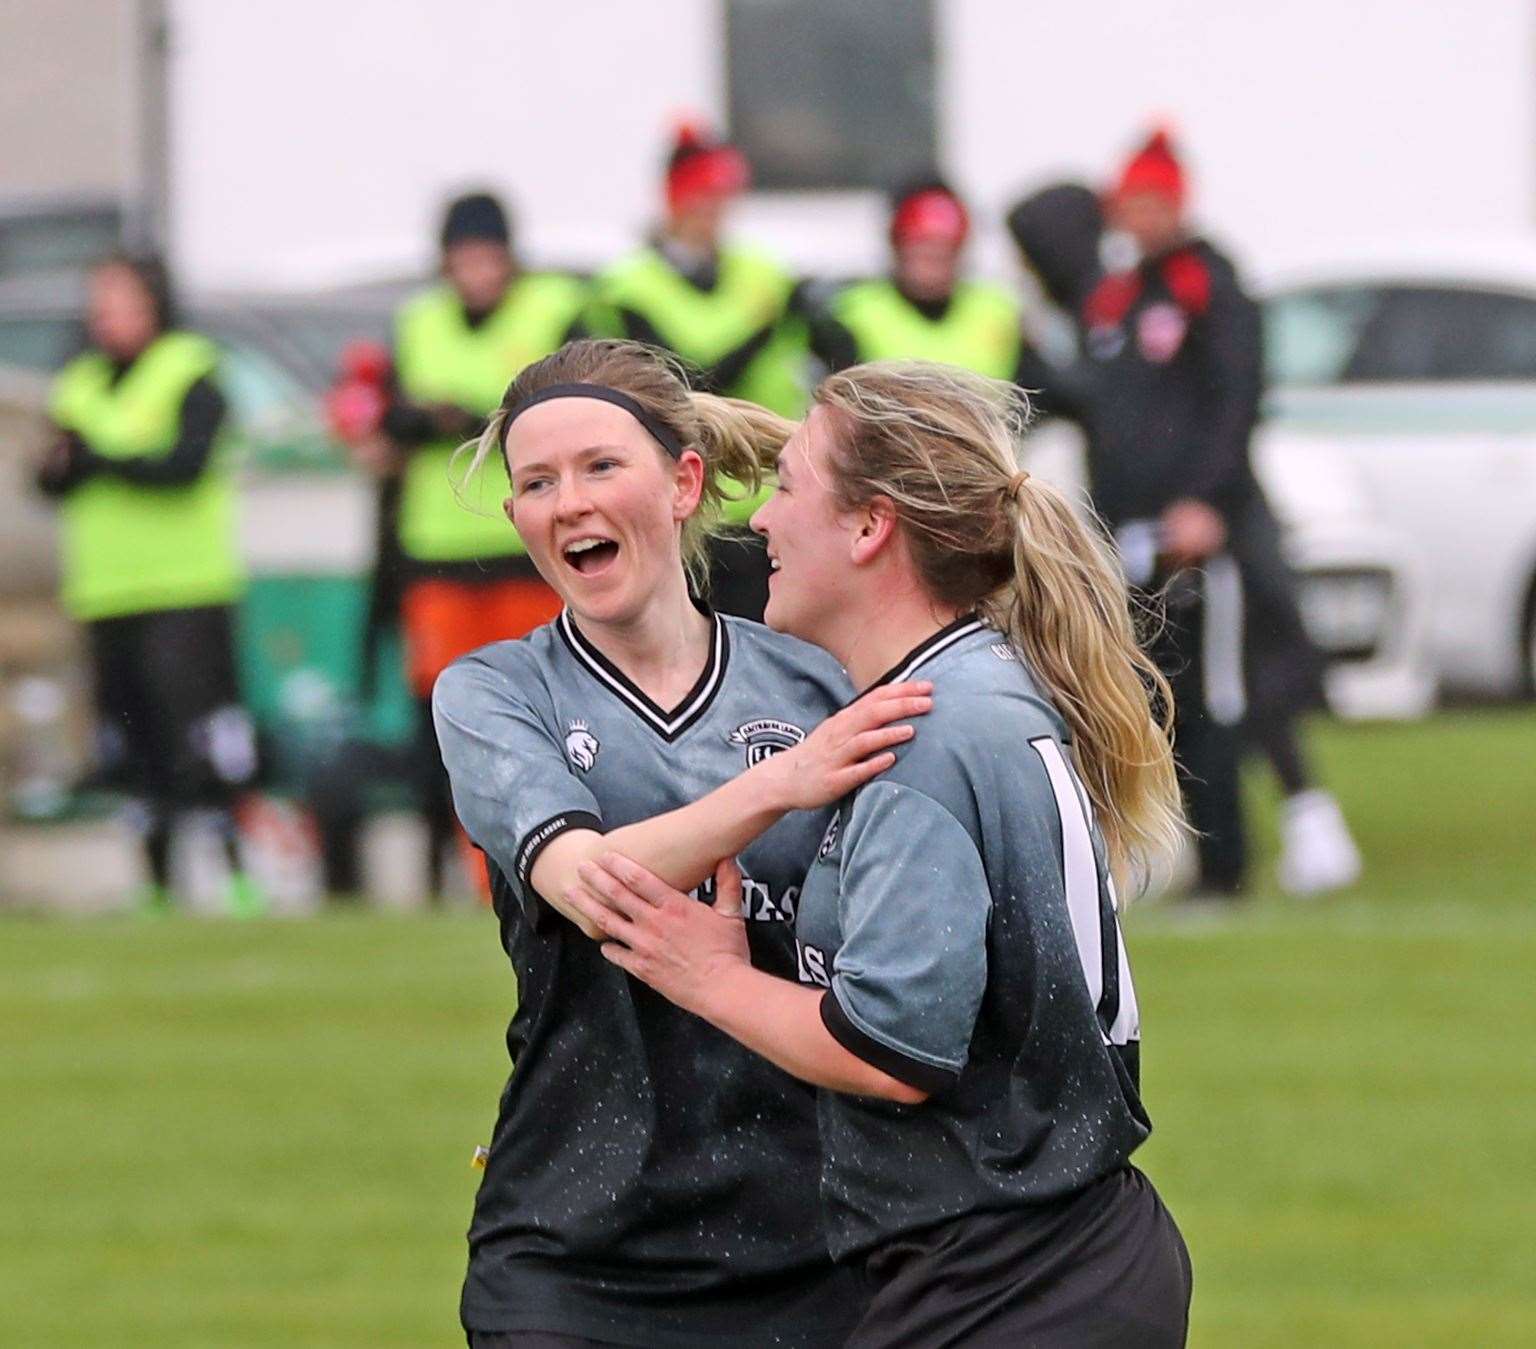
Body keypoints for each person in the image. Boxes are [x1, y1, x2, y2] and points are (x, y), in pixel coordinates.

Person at [568, 361, 1193, 1347]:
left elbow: (892, 1048)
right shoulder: (971, 680)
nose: (761, 522)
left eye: (788, 486)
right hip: (1043, 1259)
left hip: (1012, 1280)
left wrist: (711, 974)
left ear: (871, 528)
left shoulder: (926, 735)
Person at [432, 338, 932, 1347]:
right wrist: (782, 782)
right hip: (572, 1254)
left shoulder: (819, 683)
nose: (567, 501)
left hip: (818, 1247)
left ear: (682, 482)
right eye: (536, 482)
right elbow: (592, 885)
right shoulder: (493, 693)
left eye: (599, 467)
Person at [1006, 135, 1360, 896]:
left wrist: (1206, 500)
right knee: (1161, 685)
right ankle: (1184, 844)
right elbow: (1111, 402)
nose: (1138, 218)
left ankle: (1275, 837)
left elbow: (1235, 401)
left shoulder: (1209, 281)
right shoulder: (1120, 297)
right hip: (1137, 532)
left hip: (1202, 530)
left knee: (1230, 690)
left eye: (1151, 203)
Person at [35, 253, 260, 914]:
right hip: (107, 588)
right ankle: (155, 883)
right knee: (131, 740)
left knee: (200, 739)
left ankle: (238, 874)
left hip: (185, 585)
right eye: (99, 300)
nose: (107, 314)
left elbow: (185, 465)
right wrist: (65, 465)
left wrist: (101, 459)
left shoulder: (190, 369)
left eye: (121, 298)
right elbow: (51, 475)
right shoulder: (77, 383)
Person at [383, 190, 587, 895]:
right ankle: (455, 869)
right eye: (462, 256)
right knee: (443, 714)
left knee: (537, 710)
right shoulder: (418, 322)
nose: (474, 271)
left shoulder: (553, 308)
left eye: (486, 255)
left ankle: (531, 858)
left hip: (524, 543)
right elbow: (385, 418)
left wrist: (471, 416)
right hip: (438, 546)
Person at [585, 122, 808, 619]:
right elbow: (682, 378)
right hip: (679, 506)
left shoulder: (766, 273)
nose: (714, 212)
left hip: (764, 500)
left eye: (721, 198)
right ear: (674, 201)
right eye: (702, 197)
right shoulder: (629, 286)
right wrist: (761, 329)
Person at [809, 176, 1054, 393]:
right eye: (920, 252)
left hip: (980, 441)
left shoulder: (998, 311)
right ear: (898, 248)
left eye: (942, 255)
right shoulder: (855, 313)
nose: (930, 268)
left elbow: (1044, 388)